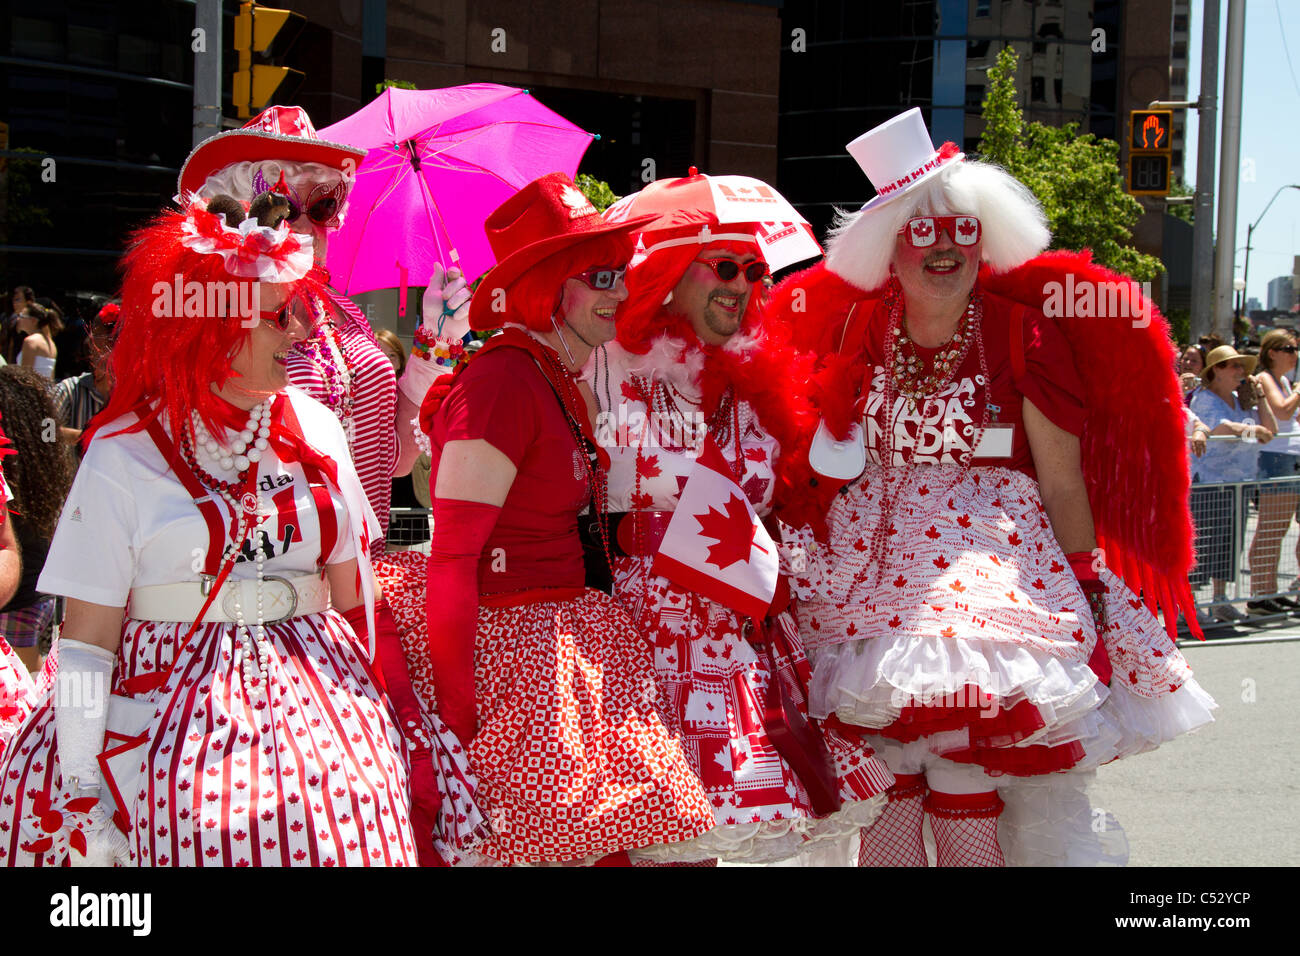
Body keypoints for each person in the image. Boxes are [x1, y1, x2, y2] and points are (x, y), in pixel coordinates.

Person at [768, 109, 1215, 866]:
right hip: (866, 565)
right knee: (885, 773)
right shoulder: (854, 331)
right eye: (924, 230)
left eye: (962, 228)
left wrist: (1086, 584)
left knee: (968, 763)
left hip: (993, 557)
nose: (945, 245)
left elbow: (1063, 478)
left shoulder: (1021, 332)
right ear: (889, 245)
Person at [0, 191, 430, 867]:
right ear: (213, 324)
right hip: (172, 729)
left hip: (326, 717)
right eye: (282, 314)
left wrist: (398, 725)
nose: (300, 331)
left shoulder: (315, 427)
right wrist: (82, 792)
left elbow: (357, 599)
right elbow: (85, 645)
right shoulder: (124, 452)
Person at [386, 173, 716, 865]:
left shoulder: (557, 374)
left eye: (620, 275)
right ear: (546, 287)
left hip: (567, 644)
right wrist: (456, 721)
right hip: (515, 659)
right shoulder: (503, 381)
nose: (620, 293)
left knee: (656, 846)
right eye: (599, 277)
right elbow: (452, 557)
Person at [584, 175, 895, 864]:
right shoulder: (609, 368)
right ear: (669, 276)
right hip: (648, 629)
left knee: (713, 832)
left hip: (744, 630)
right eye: (725, 266)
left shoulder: (756, 383)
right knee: (660, 835)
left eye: (755, 271)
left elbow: (788, 495)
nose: (744, 284)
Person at [179, 106, 430, 555]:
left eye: (321, 206)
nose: (303, 225)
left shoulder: (344, 312)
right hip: (262, 575)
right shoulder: (217, 313)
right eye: (280, 206)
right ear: (239, 216)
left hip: (357, 576)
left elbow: (390, 461)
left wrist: (433, 348)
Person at [1188, 345, 1277, 622]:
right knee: (1204, 544)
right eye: (1234, 366)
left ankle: (1220, 599)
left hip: (1238, 482)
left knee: (1229, 544)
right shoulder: (1204, 398)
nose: (1241, 372)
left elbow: (1270, 430)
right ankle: (1189, 605)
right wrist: (1252, 430)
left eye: (1242, 367)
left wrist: (1260, 396)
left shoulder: (1241, 400)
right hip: (1211, 482)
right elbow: (1220, 427)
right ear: (1217, 370)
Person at [0, 366, 73, 675]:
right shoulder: (40, 466)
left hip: (19, 596)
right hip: (37, 590)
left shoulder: (11, 472)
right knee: (26, 686)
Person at [1246, 330, 1300, 613]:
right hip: (1275, 458)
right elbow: (1282, 412)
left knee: (1279, 529)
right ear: (1272, 352)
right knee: (1270, 528)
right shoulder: (1267, 378)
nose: (1295, 354)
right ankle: (1258, 592)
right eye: (1289, 348)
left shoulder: (1284, 381)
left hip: (1289, 457)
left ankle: (1269, 589)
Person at [54, 302, 116, 465]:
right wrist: (85, 437)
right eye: (105, 347)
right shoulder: (69, 390)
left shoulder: (138, 399)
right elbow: (44, 431)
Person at [11, 303, 61, 378]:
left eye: (22, 316)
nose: (18, 319)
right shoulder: (51, 344)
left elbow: (25, 377)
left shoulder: (31, 341)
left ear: (33, 320)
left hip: (32, 389)